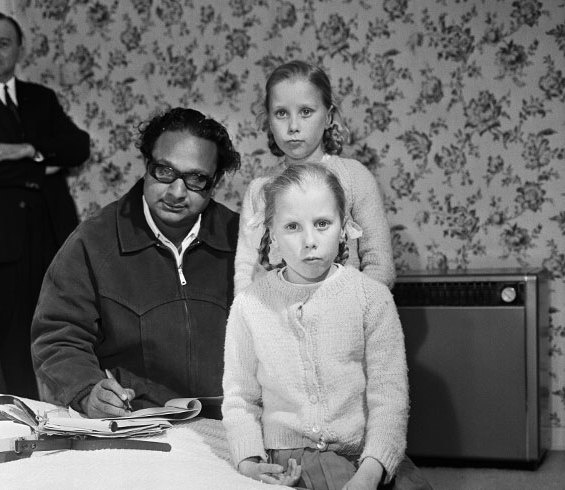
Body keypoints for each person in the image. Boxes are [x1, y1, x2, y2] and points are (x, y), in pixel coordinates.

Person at [222, 164, 431, 489]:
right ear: (272, 233)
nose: (310, 241)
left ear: (344, 227)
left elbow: (389, 396)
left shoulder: (372, 298)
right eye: (292, 226)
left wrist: (372, 469)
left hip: (364, 450)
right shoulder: (249, 305)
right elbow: (240, 397)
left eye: (322, 224)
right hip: (294, 453)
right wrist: (248, 461)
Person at [31, 107, 241, 419]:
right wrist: (87, 391)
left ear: (216, 182)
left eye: (196, 179)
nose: (176, 192)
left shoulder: (243, 240)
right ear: (146, 164)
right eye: (164, 171)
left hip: (230, 425)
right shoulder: (93, 242)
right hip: (137, 423)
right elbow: (58, 337)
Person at [234, 60, 395, 296]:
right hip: (278, 314)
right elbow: (246, 269)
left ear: (328, 117)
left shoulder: (354, 177)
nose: (293, 126)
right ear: (268, 120)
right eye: (281, 113)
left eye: (306, 112)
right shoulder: (259, 189)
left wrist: (351, 306)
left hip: (347, 312)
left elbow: (379, 264)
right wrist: (251, 312)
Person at [0, 13, 90, 398]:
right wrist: (45, 163)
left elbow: (78, 147)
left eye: (4, 43)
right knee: (10, 342)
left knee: (47, 332)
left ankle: (42, 416)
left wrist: (23, 151)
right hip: (4, 242)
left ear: (19, 49)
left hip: (49, 237)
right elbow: (58, 156)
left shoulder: (40, 98)